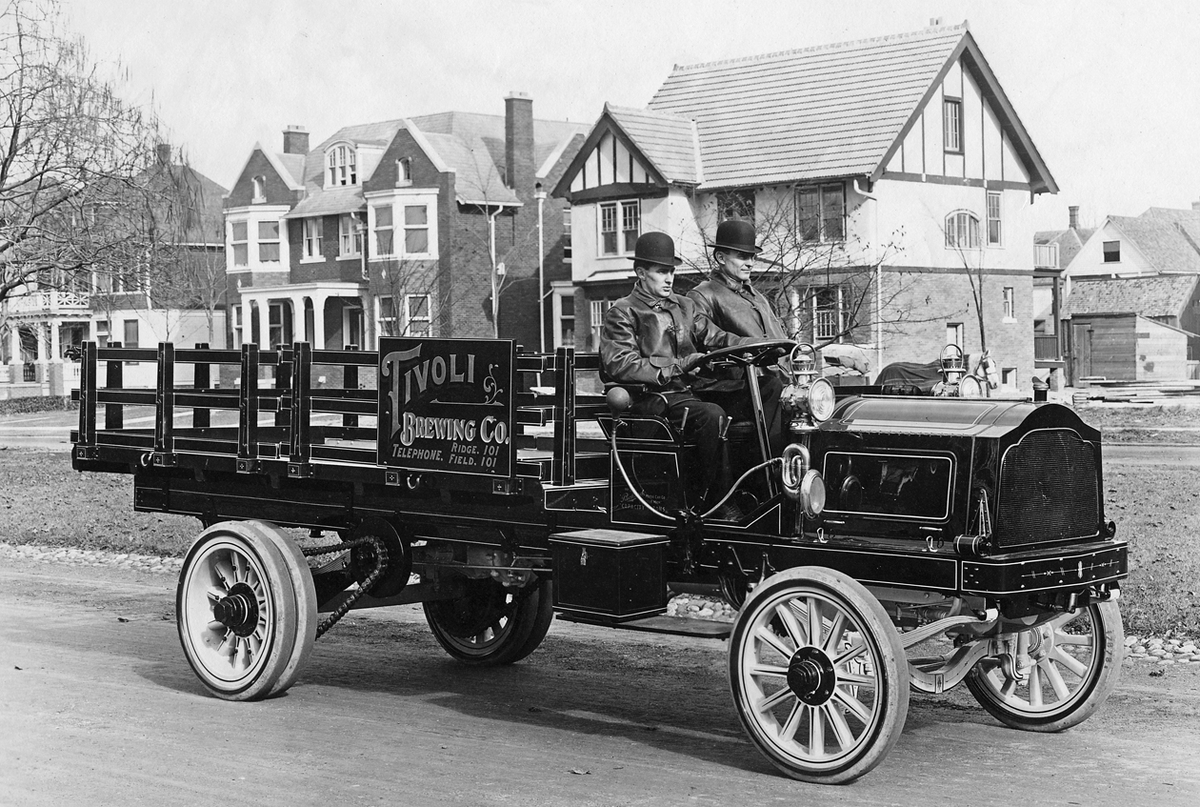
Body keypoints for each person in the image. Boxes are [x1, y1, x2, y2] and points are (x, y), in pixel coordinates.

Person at [599, 231, 747, 518]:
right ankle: (717, 504)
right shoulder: (623, 311)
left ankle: (770, 488)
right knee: (711, 415)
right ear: (641, 273)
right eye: (661, 272)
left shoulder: (684, 305)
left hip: (690, 393)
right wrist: (678, 366)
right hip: (653, 399)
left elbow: (716, 337)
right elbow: (620, 363)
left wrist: (755, 344)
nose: (669, 279)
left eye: (671, 272)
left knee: (767, 389)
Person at [688, 219, 787, 457]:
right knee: (773, 388)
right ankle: (770, 469)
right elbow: (704, 335)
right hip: (729, 388)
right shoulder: (703, 294)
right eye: (742, 257)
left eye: (752, 257)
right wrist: (746, 345)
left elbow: (779, 338)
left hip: (769, 381)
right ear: (721, 258)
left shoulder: (758, 297)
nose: (750, 263)